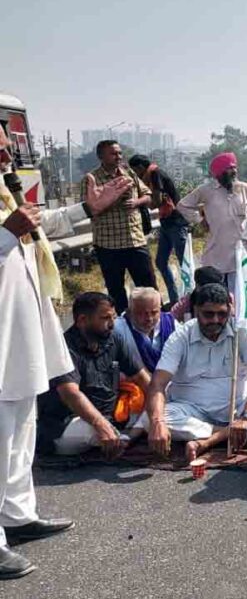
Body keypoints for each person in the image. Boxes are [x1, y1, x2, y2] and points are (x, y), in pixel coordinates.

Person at [0, 127, 128, 579]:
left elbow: (37, 228)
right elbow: (11, 235)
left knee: (19, 430)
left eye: (7, 147)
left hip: (22, 334)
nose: (7, 155)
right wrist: (3, 235)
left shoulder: (4, 193)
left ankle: (16, 514)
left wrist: (86, 209)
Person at [143, 283, 247, 462]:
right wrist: (158, 423)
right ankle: (232, 434)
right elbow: (158, 384)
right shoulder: (181, 336)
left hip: (239, 410)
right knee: (151, 419)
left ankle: (209, 441)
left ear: (230, 310)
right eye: (208, 314)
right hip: (193, 411)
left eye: (222, 314)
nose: (215, 320)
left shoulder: (241, 330)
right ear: (196, 310)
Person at [37, 292, 150, 457]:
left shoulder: (114, 339)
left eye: (114, 317)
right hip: (68, 425)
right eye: (105, 318)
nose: (112, 324)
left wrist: (157, 418)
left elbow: (144, 379)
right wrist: (100, 424)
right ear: (82, 320)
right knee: (94, 431)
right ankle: (124, 439)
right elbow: (71, 394)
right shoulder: (63, 349)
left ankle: (128, 437)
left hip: (109, 418)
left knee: (160, 403)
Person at [83, 139, 158, 314]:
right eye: (113, 153)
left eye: (120, 153)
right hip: (108, 245)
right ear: (101, 157)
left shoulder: (128, 173)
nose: (118, 157)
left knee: (149, 288)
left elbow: (148, 196)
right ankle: (124, 328)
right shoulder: (92, 179)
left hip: (135, 241)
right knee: (116, 292)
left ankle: (155, 323)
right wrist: (109, 200)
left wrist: (136, 202)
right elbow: (88, 210)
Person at [176, 152, 247, 283]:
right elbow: (182, 205)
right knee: (216, 288)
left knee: (239, 291)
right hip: (217, 250)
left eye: (234, 168)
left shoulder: (244, 188)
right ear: (219, 173)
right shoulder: (206, 190)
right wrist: (199, 220)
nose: (234, 171)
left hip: (240, 250)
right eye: (229, 168)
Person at [129, 154, 189, 305]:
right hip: (166, 222)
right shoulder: (151, 176)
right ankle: (175, 299)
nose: (135, 174)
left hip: (176, 221)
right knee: (161, 262)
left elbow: (157, 200)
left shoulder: (155, 174)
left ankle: (190, 297)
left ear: (141, 167)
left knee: (184, 262)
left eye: (135, 170)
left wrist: (143, 203)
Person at [113, 287, 177, 373]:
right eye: (141, 313)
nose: (149, 318)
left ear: (160, 309)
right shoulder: (118, 330)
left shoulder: (171, 323)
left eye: (154, 312)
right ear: (129, 312)